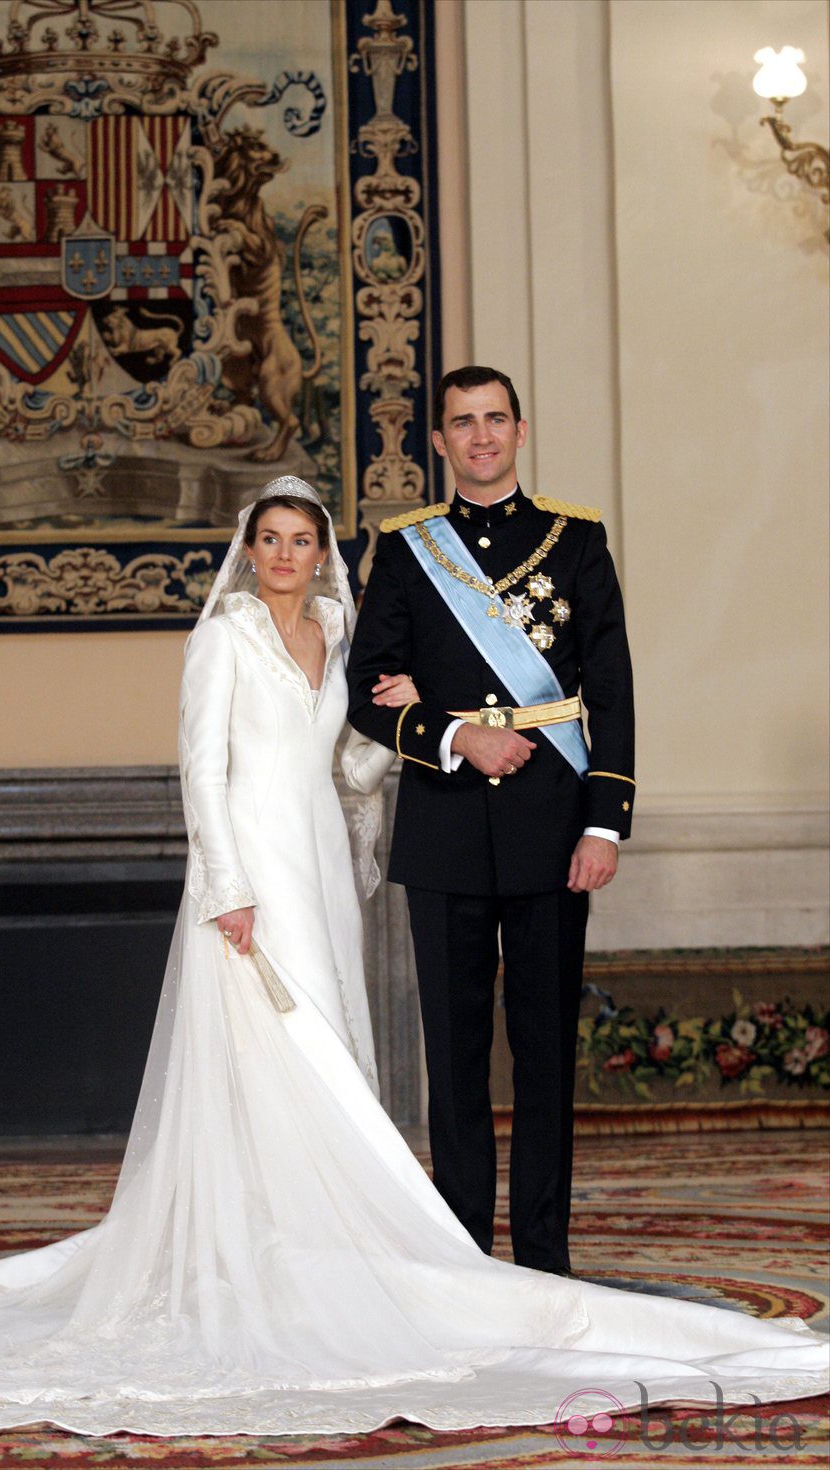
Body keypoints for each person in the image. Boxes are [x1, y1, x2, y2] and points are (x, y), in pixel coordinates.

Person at [0, 477, 826, 1439]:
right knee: (278, 1052)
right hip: (249, 870)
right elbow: (203, 767)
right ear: (249, 547)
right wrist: (225, 887)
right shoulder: (223, 636)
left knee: (326, 1039)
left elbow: (352, 759)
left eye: (300, 539)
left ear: (322, 551)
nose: (284, 554)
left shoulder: (335, 636)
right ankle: (262, 1248)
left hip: (315, 859)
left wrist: (412, 708)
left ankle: (320, 1243)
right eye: (269, 538)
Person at [347, 365, 634, 1274]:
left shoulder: (575, 539)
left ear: (519, 429)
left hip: (555, 824)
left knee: (546, 1056)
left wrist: (605, 823)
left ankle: (545, 1258)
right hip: (444, 827)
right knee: (457, 1058)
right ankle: (467, 1260)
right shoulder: (404, 547)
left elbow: (613, 688)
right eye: (462, 424)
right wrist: (458, 734)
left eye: (495, 420)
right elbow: (365, 692)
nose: (479, 437)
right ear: (437, 442)